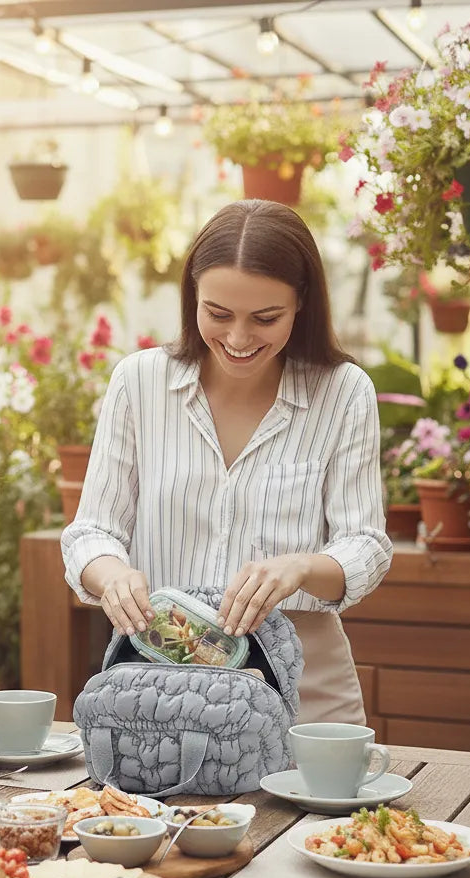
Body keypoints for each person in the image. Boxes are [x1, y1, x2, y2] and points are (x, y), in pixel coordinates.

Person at [61, 200, 392, 725]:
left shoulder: (343, 392)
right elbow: (92, 532)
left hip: (304, 680)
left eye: (265, 318)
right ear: (192, 295)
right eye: (218, 314)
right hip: (163, 673)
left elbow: (366, 546)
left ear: (302, 302)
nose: (238, 339)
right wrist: (114, 576)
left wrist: (301, 566)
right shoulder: (140, 382)